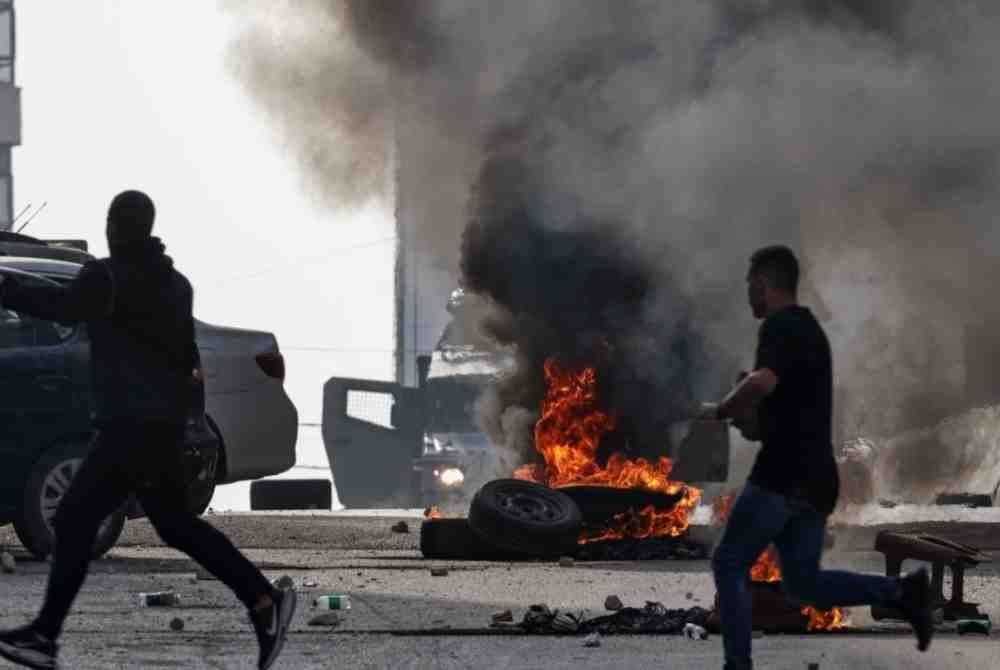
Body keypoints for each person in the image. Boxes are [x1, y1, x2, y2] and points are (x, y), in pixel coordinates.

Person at [0, 191, 296, 670]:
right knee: (175, 525)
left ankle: (45, 637)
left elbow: (61, 306)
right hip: (161, 427)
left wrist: (5, 288)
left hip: (128, 427)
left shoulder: (109, 276)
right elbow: (183, 359)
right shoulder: (177, 285)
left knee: (76, 520)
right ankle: (263, 602)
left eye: (112, 223)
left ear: (117, 227)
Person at [707, 245, 933, 670]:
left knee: (729, 560)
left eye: (750, 285)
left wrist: (722, 410)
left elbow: (762, 382)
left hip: (783, 474)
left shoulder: (782, 325)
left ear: (765, 283)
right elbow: (781, 412)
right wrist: (751, 420)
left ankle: (737, 666)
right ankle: (903, 593)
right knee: (804, 583)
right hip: (816, 479)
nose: (747, 295)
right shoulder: (809, 331)